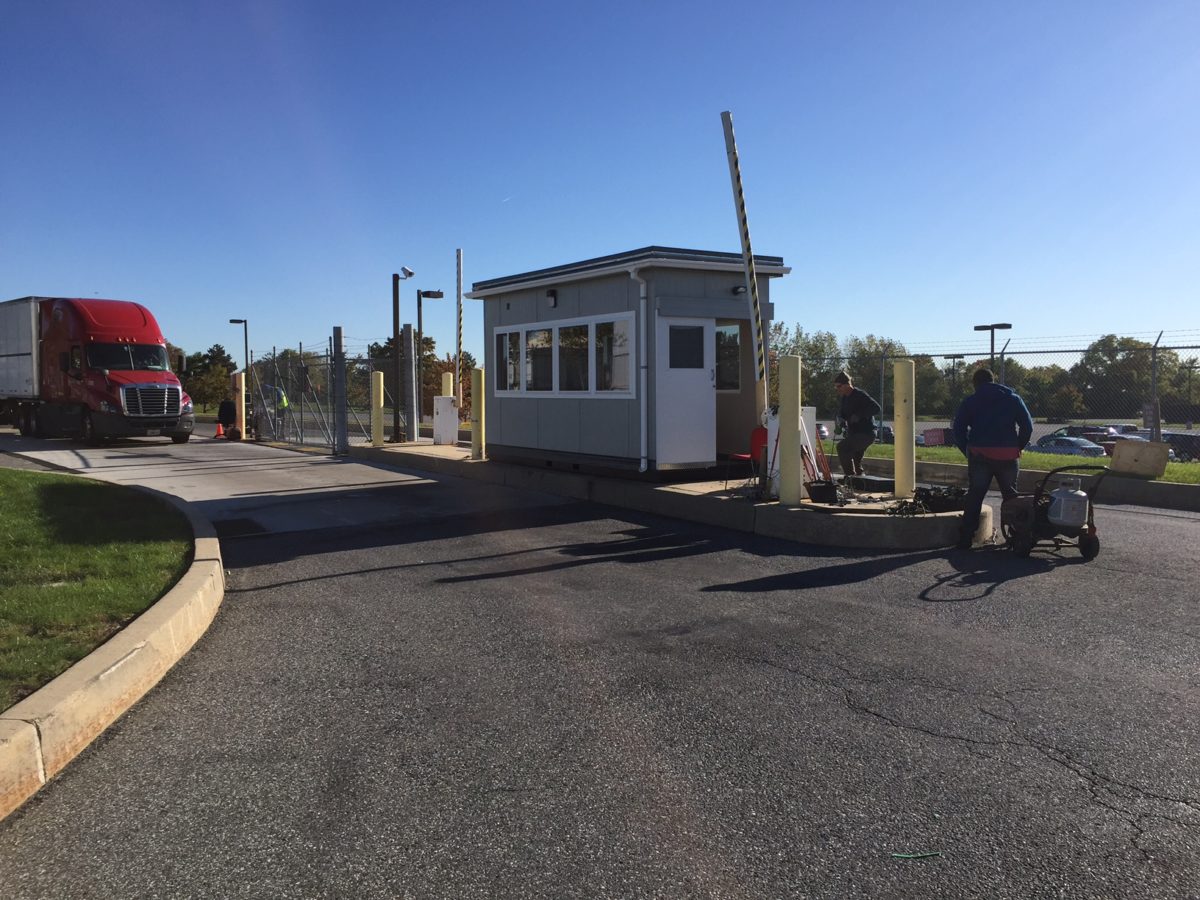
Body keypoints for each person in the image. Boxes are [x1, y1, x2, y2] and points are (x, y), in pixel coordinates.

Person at [952, 367, 1033, 549]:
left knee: (976, 494)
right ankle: (1017, 534)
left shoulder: (971, 401)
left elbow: (958, 430)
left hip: (979, 453)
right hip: (1008, 455)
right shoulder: (1013, 399)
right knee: (1011, 497)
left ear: (976, 384)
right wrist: (1017, 446)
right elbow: (1027, 427)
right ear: (994, 380)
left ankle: (966, 537)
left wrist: (967, 449)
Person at [833, 371, 881, 480]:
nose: (837, 389)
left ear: (847, 384)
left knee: (842, 447)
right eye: (836, 387)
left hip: (866, 433)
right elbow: (842, 414)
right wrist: (840, 420)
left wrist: (859, 415)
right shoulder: (845, 398)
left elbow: (876, 408)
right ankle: (859, 480)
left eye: (839, 386)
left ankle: (849, 478)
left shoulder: (860, 395)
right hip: (854, 433)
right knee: (855, 458)